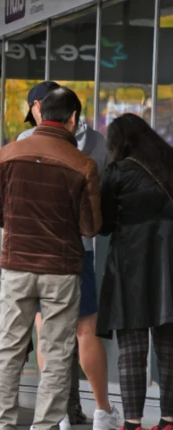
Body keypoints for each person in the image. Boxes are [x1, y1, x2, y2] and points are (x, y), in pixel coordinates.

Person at [0, 87, 101, 430]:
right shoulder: (83, 164)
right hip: (61, 270)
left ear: (39, 112)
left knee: (8, 350)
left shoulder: (8, 154)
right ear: (73, 119)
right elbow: (90, 227)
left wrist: (19, 222)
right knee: (59, 352)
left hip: (17, 264)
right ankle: (45, 426)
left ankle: (1, 423)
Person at [19, 81, 121, 430]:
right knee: (85, 330)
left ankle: (57, 411)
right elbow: (101, 206)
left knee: (47, 332)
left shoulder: (22, 145)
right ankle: (103, 412)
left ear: (39, 107)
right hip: (79, 251)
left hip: (32, 254)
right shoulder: (95, 146)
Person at [97, 113, 173, 430]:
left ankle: (132, 423)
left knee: (132, 348)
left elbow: (103, 223)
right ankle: (169, 421)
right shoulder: (169, 165)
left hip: (131, 262)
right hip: (169, 263)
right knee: (169, 346)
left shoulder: (117, 172)